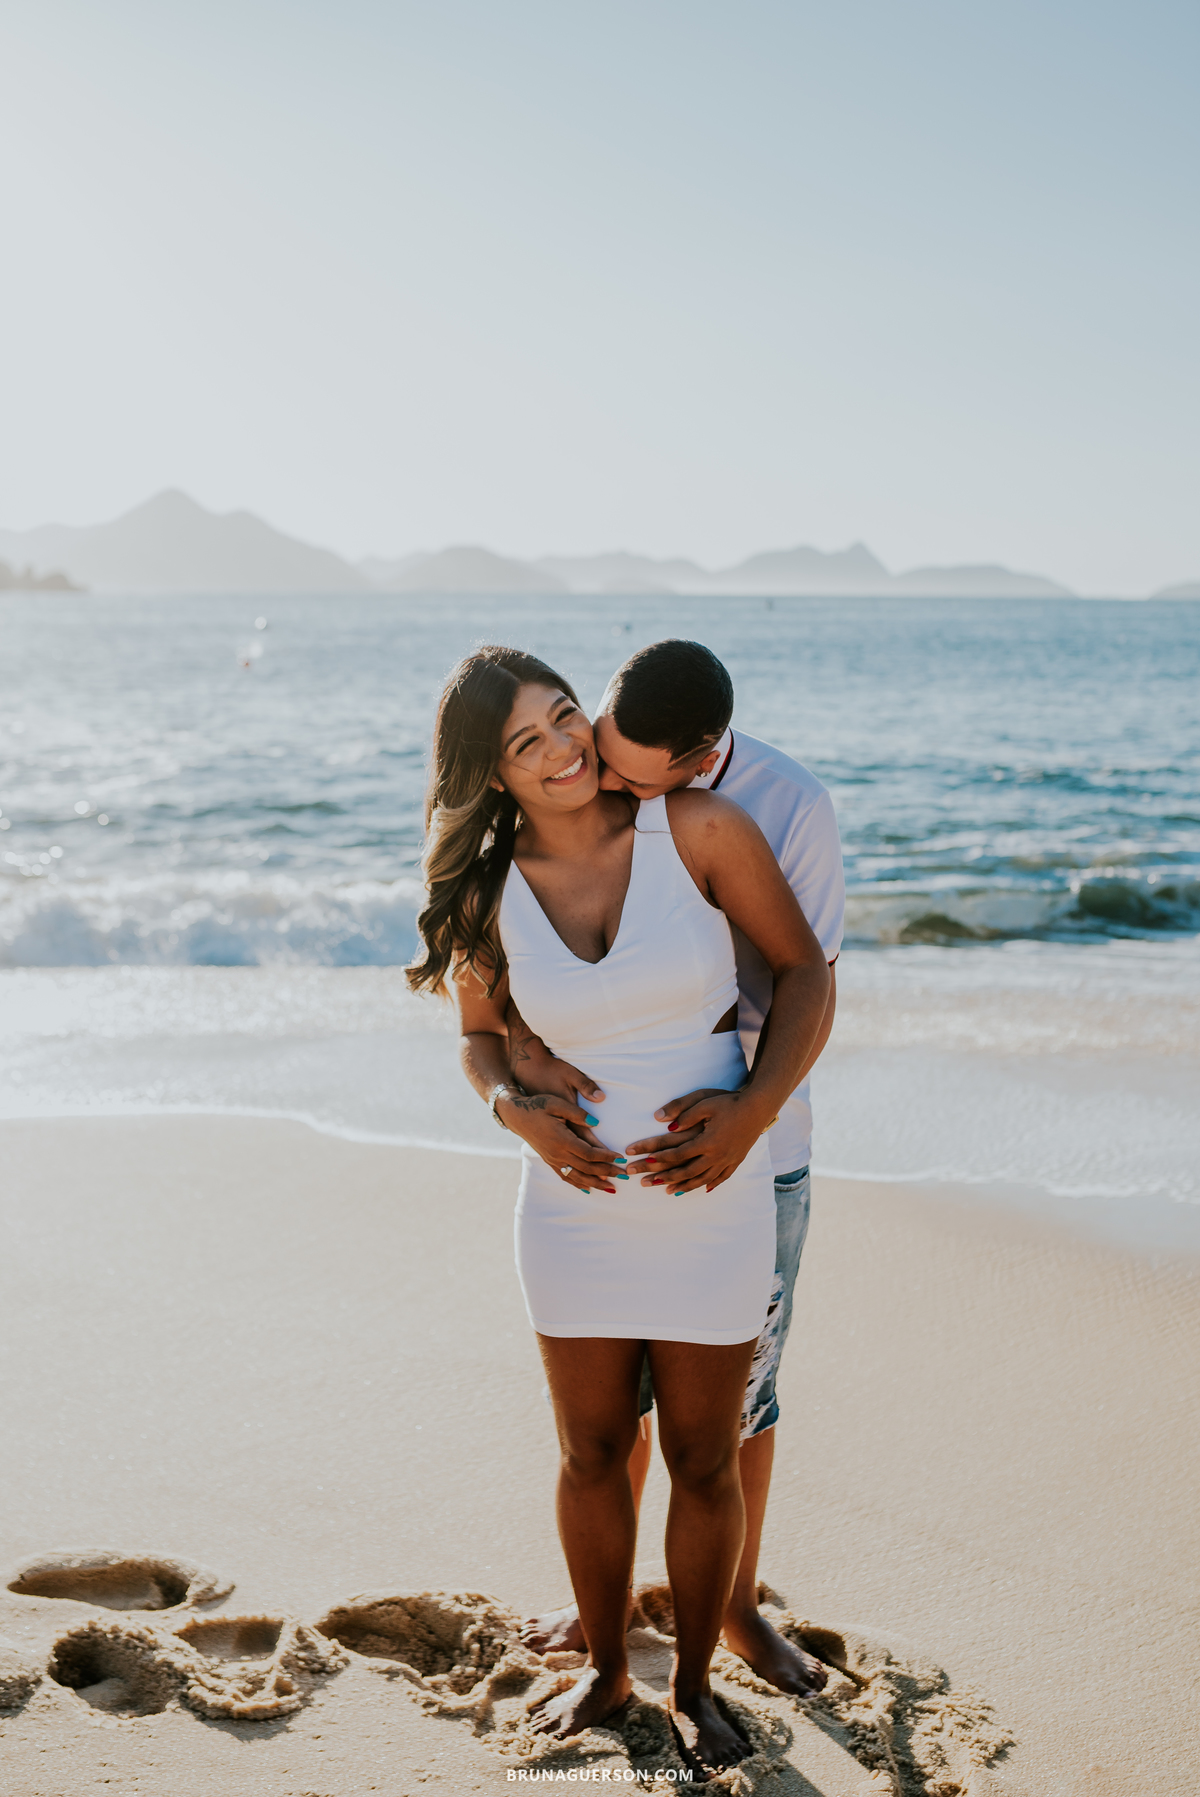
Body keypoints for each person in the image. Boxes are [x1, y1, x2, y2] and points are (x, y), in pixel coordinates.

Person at [407, 646, 831, 1777]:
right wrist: (515, 1112)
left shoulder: (696, 829)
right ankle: (604, 1665)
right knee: (591, 1450)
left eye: (563, 716)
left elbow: (806, 975)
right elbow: (478, 1038)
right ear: (490, 775)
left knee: (703, 1455)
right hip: (572, 1206)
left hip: (713, 1195)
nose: (561, 749)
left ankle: (691, 1683)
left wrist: (749, 1116)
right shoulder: (488, 890)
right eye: (525, 743)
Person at [505, 640, 844, 1696]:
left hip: (753, 1149)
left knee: (737, 1405)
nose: (594, 774)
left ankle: (735, 1608)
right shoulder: (600, 768)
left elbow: (807, 977)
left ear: (693, 763)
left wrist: (745, 1114)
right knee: (609, 1419)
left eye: (627, 772)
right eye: (592, 741)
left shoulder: (784, 807)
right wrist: (523, 1064)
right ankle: (607, 1603)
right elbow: (517, 966)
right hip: (604, 1177)